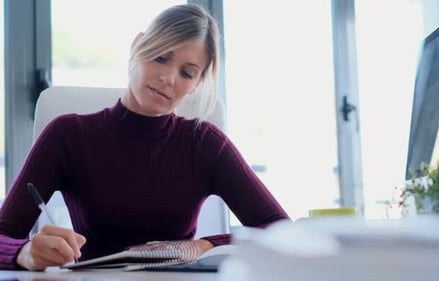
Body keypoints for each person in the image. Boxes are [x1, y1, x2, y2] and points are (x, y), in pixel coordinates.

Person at [0, 4, 289, 271]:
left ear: (196, 84)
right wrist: (24, 252)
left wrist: (204, 244)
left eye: (187, 73)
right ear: (137, 45)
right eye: (161, 57)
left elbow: (281, 231)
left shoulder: (205, 144)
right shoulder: (68, 135)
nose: (168, 78)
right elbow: (3, 233)